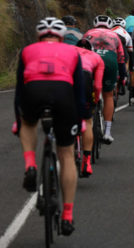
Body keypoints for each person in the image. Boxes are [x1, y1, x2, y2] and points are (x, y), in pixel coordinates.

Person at [14, 17, 86, 235]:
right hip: (63, 93)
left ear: (39, 36)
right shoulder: (73, 52)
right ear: (61, 36)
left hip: (34, 91)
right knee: (66, 152)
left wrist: (19, 119)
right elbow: (79, 92)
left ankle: (30, 165)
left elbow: (19, 90)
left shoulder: (27, 51)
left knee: (27, 123)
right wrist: (80, 119)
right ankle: (67, 215)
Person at [83, 15, 126, 144]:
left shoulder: (88, 33)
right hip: (110, 60)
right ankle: (107, 132)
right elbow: (121, 59)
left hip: (92, 59)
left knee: (85, 91)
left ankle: (84, 123)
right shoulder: (115, 36)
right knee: (108, 95)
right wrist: (122, 77)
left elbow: (79, 52)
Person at [74, 39, 104, 178]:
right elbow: (97, 86)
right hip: (85, 79)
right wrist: (95, 100)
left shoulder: (70, 52)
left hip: (68, 80)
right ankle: (86, 161)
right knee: (87, 121)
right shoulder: (96, 57)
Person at [111, 17, 133, 92]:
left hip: (110, 46)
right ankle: (125, 76)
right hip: (122, 46)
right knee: (127, 59)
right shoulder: (126, 33)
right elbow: (130, 50)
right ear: (124, 26)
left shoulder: (109, 30)